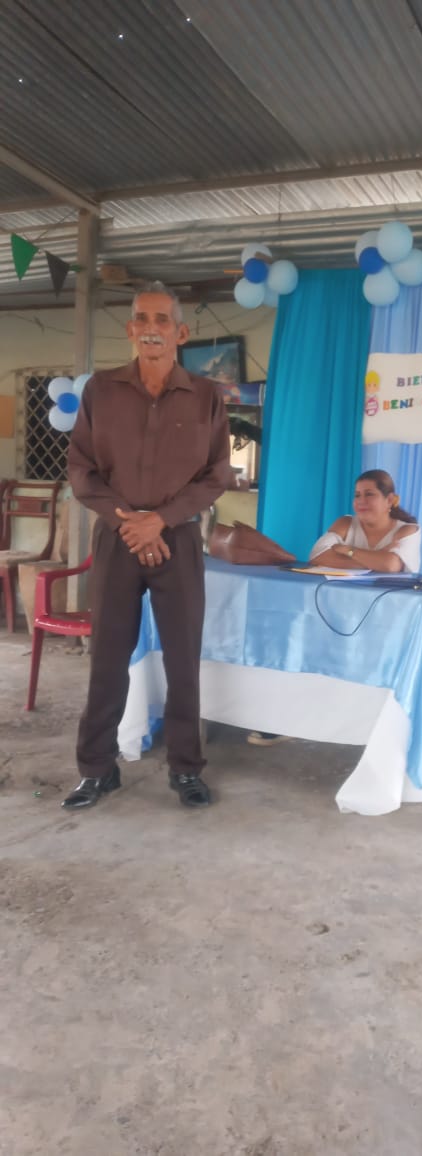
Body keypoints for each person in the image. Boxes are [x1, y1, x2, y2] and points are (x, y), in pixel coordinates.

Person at [62, 282, 233, 809]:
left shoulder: (207, 396)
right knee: (107, 658)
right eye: (142, 318)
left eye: (162, 320)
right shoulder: (102, 390)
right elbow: (80, 468)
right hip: (118, 537)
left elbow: (217, 474)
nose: (151, 328)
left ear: (181, 332)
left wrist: (160, 520)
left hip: (177, 537)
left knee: (183, 660)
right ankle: (97, 769)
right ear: (130, 329)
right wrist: (130, 522)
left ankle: (185, 769)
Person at [247, 469, 420, 745]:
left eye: (369, 495)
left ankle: (376, 731)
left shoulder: (407, 530)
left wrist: (347, 551)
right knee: (302, 648)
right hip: (338, 611)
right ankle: (290, 720)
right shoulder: (345, 523)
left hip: (387, 618)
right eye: (357, 495)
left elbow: (390, 565)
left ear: (391, 500)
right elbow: (317, 556)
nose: (361, 501)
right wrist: (372, 558)